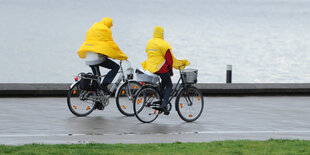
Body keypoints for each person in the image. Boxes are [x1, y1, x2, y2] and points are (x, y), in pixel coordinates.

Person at [141, 26, 189, 115]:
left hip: (150, 67)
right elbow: (170, 60)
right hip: (160, 68)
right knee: (169, 85)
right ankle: (164, 104)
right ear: (162, 33)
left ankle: (160, 99)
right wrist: (170, 71)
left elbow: (148, 53)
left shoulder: (149, 42)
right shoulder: (164, 44)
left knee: (163, 83)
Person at [78, 17, 127, 95]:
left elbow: (101, 46)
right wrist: (121, 56)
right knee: (116, 67)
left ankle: (98, 98)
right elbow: (111, 45)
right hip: (96, 58)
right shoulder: (105, 30)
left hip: (89, 56)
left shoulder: (93, 28)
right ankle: (105, 84)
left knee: (97, 78)